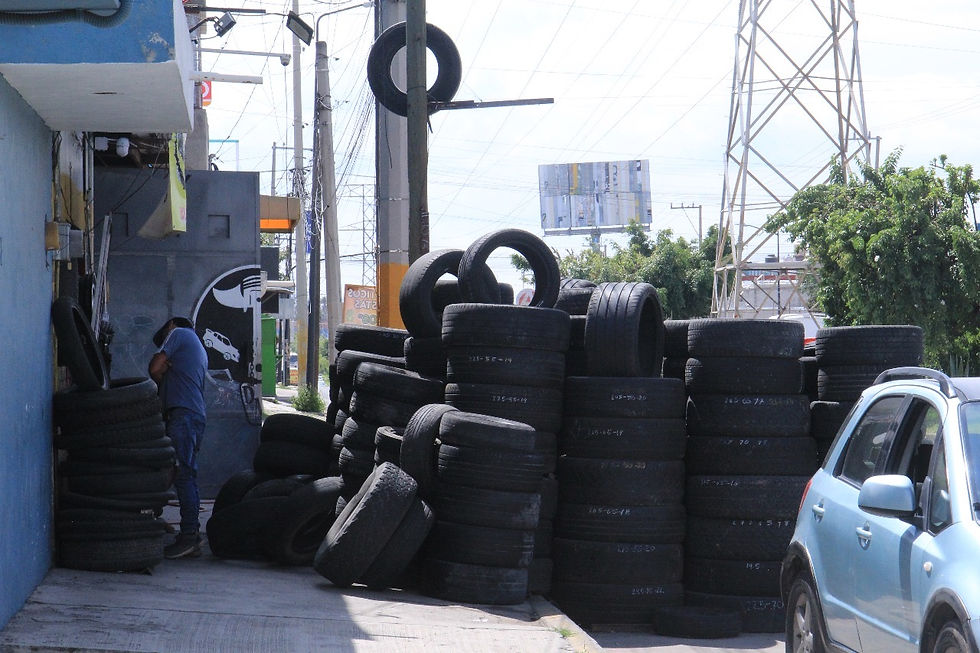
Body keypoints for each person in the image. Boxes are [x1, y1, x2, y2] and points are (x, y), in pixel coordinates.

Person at [149, 316, 208, 559]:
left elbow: (154, 368)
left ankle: (189, 537)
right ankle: (158, 520)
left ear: (172, 324)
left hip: (183, 415)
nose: (164, 343)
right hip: (189, 415)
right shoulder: (196, 347)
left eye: (164, 340)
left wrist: (161, 369)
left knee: (184, 475)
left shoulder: (180, 333)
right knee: (172, 472)